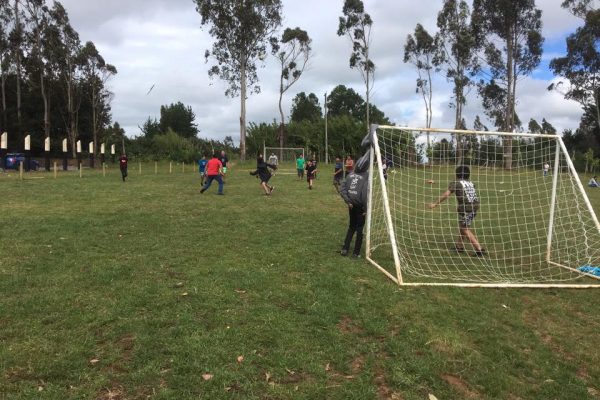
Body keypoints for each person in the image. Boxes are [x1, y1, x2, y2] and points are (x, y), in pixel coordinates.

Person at [429, 165, 485, 257]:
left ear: (457, 174)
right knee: (463, 225)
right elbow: (468, 194)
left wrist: (435, 204)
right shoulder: (471, 183)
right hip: (474, 206)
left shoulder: (456, 182)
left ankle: (479, 249)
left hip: (467, 208)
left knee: (464, 228)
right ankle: (459, 247)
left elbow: (446, 194)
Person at [339, 153, 370, 258]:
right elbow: (365, 194)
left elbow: (342, 189)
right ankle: (356, 253)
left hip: (351, 205)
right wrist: (366, 208)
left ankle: (345, 248)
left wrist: (348, 201)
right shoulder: (366, 176)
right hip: (360, 206)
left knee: (352, 226)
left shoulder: (350, 174)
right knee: (360, 229)